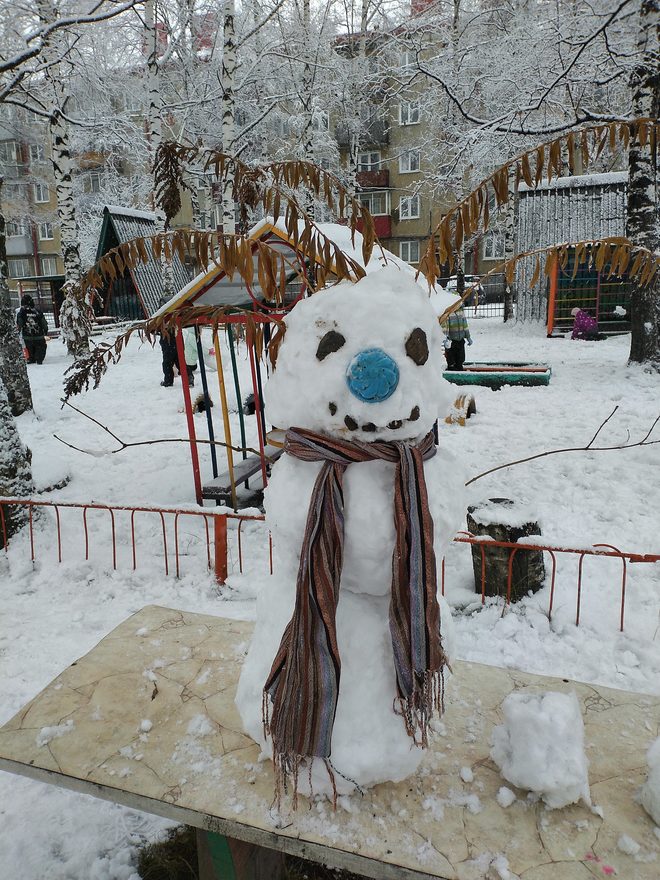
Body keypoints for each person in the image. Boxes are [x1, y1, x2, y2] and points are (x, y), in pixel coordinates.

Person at [16, 294, 49, 364]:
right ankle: (39, 359)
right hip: (39, 337)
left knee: (30, 353)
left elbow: (20, 324)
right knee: (40, 350)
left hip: (27, 337)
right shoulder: (37, 312)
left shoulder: (21, 313)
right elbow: (44, 323)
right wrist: (45, 331)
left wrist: (18, 332)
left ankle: (31, 359)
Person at [441, 305, 473, 370]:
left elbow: (465, 324)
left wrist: (468, 336)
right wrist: (445, 339)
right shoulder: (448, 312)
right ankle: (451, 367)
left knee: (460, 358)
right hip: (451, 341)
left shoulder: (461, 311)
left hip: (460, 339)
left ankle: (459, 367)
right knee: (451, 359)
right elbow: (445, 327)